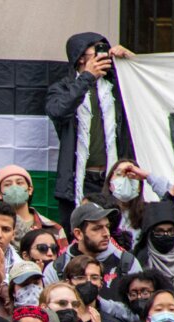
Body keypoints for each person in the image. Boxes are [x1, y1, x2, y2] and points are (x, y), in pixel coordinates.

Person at [45, 32, 135, 223]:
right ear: (79, 58)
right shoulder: (63, 88)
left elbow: (145, 96)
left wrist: (130, 63)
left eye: (104, 50)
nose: (101, 56)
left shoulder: (116, 87)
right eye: (96, 51)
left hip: (115, 177)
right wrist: (87, 77)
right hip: (81, 179)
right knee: (82, 232)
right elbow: (58, 110)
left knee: (117, 231)